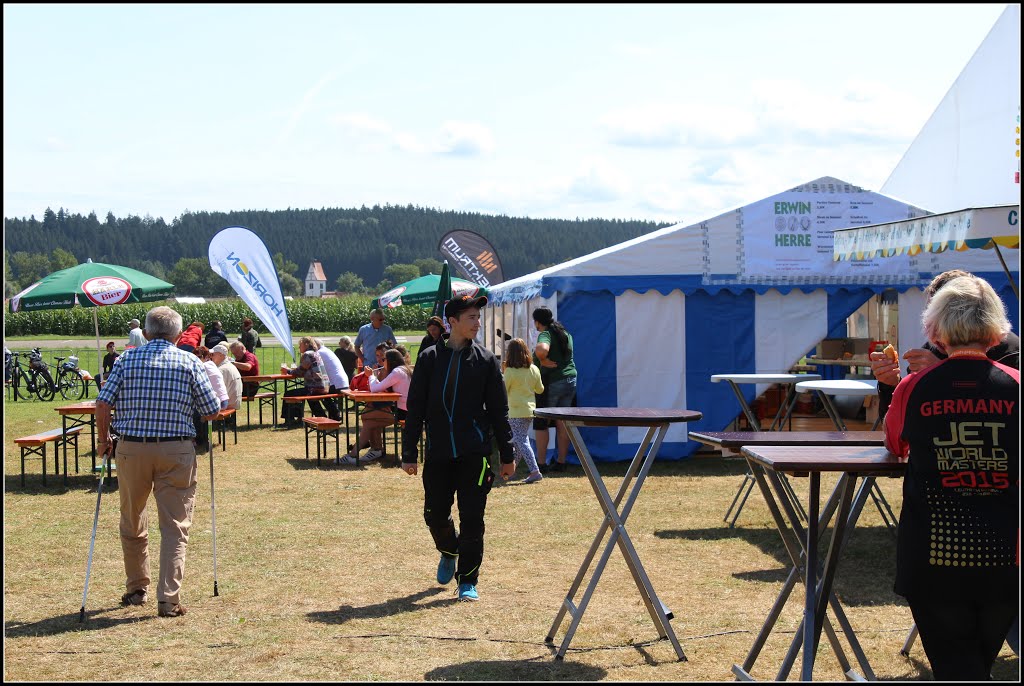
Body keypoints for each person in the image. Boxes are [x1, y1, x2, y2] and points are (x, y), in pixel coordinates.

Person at [882, 274, 1018, 681]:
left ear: (934, 330)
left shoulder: (913, 387)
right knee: (977, 664)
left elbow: (895, 443)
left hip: (932, 554)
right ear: (996, 331)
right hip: (1005, 553)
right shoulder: (1016, 385)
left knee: (958, 668)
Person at [95, 305, 221, 618]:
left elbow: (102, 402)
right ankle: (168, 598)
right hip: (176, 451)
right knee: (175, 526)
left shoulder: (126, 359)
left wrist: (102, 440)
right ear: (179, 335)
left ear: (147, 332)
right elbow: (211, 410)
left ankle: (137, 587)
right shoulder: (190, 360)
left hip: (132, 449)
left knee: (132, 518)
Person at [402, 294, 515, 602]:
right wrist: (408, 452)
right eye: (471, 318)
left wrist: (507, 454)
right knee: (434, 515)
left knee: (473, 518)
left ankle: (467, 580)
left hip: (474, 454)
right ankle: (448, 550)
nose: (477, 323)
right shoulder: (428, 359)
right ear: (452, 322)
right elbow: (415, 408)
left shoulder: (487, 361)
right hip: (438, 453)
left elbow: (499, 412)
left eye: (479, 317)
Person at [871, 269, 1020, 419]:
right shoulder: (933, 349)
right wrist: (890, 385)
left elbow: (994, 411)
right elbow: (899, 422)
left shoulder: (1012, 351)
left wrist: (943, 372)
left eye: (939, 312)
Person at [342, 349, 411, 465]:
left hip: (403, 412)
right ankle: (376, 449)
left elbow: (375, 388)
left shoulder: (397, 372)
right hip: (403, 409)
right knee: (367, 416)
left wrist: (370, 375)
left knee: (369, 421)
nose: (382, 362)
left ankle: (353, 455)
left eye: (384, 359)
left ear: (390, 361)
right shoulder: (404, 370)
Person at [531, 306, 577, 472]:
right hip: (570, 380)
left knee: (541, 422)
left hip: (552, 381)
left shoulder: (545, 333)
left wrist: (541, 359)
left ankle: (541, 464)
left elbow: (542, 349)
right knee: (562, 422)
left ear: (537, 322)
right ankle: (561, 462)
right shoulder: (566, 333)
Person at [503, 338, 545, 483]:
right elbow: (540, 390)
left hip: (515, 411)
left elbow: (504, 390)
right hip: (530, 411)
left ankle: (534, 471)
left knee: (521, 441)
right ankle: (510, 471)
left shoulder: (509, 371)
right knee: (520, 441)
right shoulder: (534, 369)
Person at [280, 336, 329, 427]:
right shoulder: (316, 353)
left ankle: (290, 421)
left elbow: (300, 371)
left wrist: (288, 371)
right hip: (324, 386)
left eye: (300, 345)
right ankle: (321, 417)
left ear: (306, 344)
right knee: (309, 397)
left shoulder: (308, 354)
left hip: (314, 387)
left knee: (289, 394)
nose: (299, 347)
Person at [192, 346, 229, 451]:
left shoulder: (203, 366)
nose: (196, 359)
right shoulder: (212, 365)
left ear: (205, 357)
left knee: (195, 410)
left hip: (220, 403)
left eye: (198, 357)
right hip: (224, 400)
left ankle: (199, 439)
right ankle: (200, 438)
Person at [313, 337, 348, 421]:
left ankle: (322, 417)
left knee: (313, 393)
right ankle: (334, 413)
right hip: (343, 383)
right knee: (321, 392)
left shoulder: (319, 353)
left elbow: (313, 369)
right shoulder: (327, 351)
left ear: (316, 345)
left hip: (336, 384)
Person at [210, 344, 242, 412]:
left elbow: (216, 391)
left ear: (220, 355)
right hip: (234, 402)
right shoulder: (230, 366)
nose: (211, 357)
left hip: (227, 405)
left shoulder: (222, 370)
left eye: (213, 354)